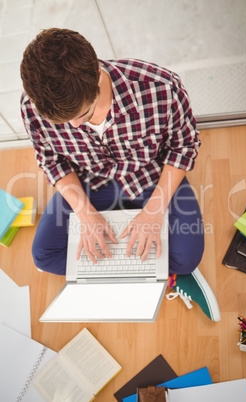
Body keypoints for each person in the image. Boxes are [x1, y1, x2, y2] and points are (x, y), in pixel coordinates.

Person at [20, 28, 220, 321]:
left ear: (99, 76)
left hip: (150, 176)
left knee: (187, 258)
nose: (75, 129)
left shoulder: (161, 87)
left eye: (84, 116)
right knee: (44, 255)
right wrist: (85, 214)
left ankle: (131, 269)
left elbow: (184, 147)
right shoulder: (34, 106)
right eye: (65, 122)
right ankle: (144, 267)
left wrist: (153, 212)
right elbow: (51, 160)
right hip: (88, 181)